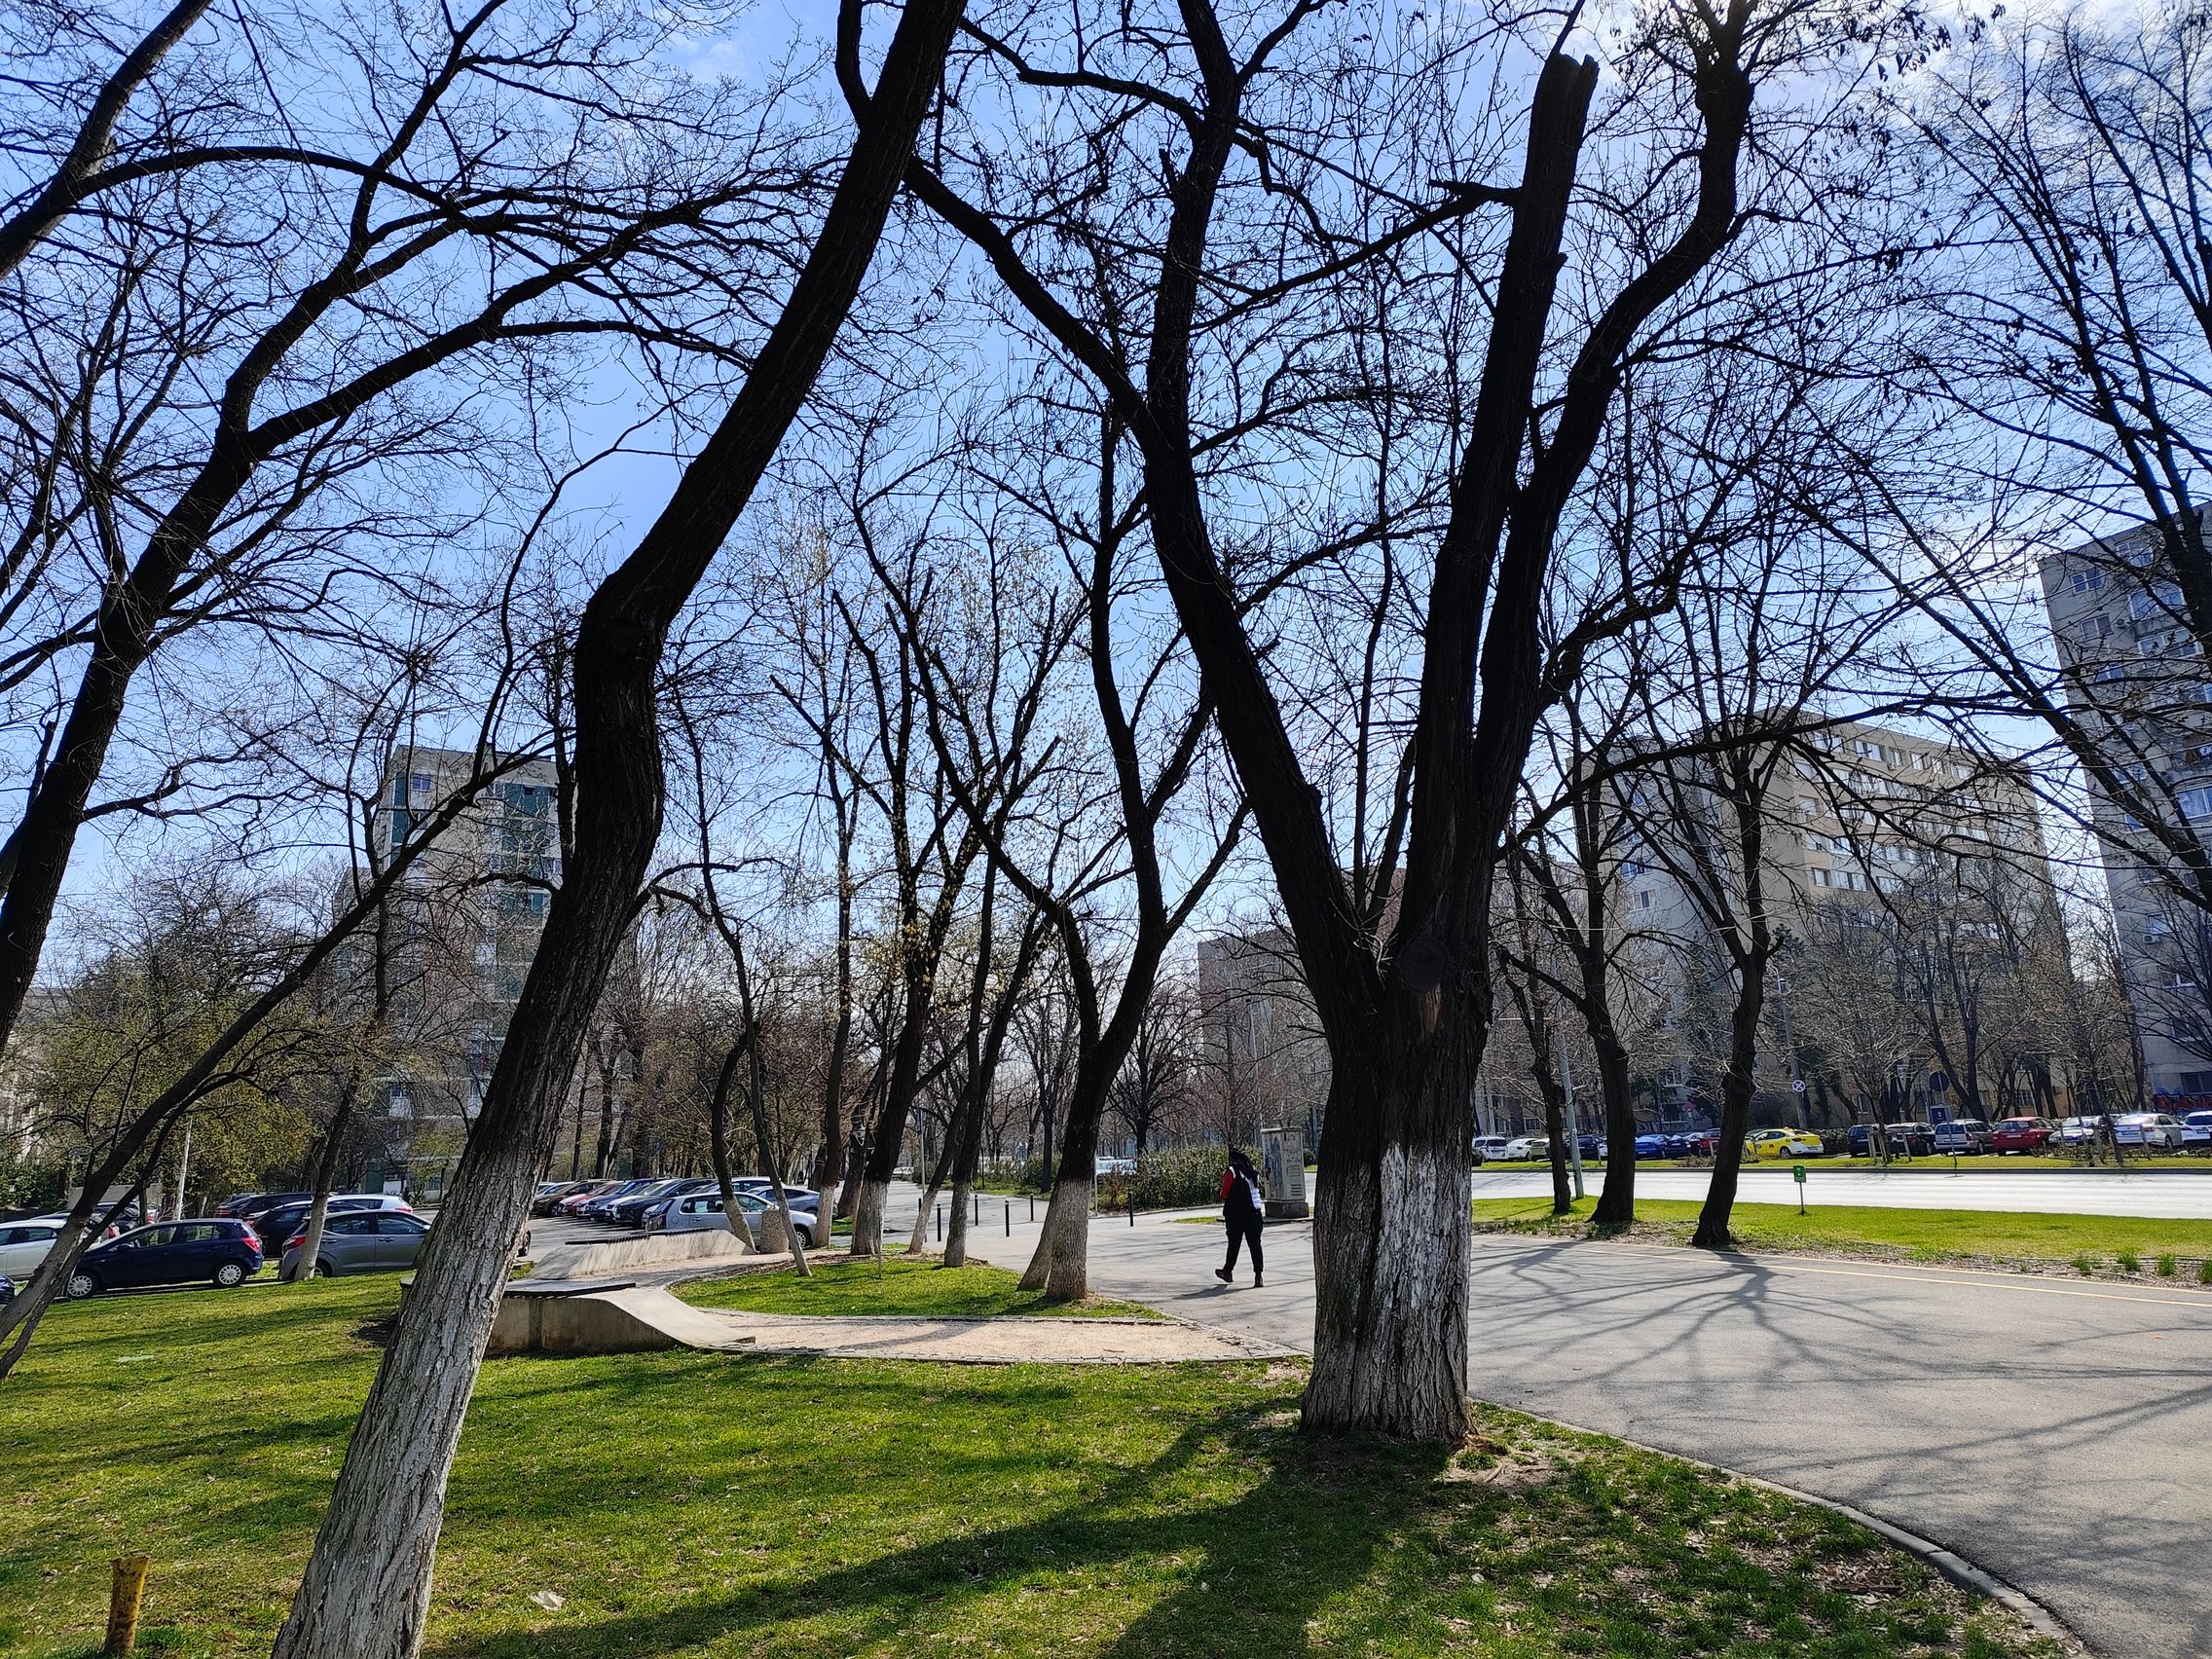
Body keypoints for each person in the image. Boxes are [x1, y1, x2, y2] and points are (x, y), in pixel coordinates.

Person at [1215, 1149, 1264, 1287]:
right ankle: (1258, 1276)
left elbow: (1224, 1194)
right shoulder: (1252, 1172)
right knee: (1255, 1245)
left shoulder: (1232, 1171)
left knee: (1234, 1244)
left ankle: (1227, 1271)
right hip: (1255, 1212)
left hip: (1237, 1213)